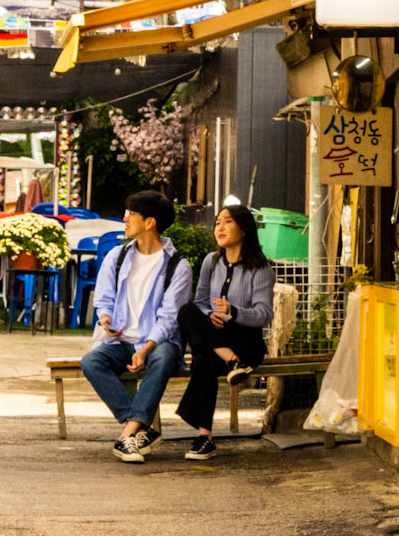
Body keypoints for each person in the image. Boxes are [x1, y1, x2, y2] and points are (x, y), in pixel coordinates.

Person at [79, 191, 192, 462]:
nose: (125, 218)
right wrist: (106, 320)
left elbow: (169, 318)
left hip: (157, 343)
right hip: (120, 342)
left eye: (131, 213)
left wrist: (145, 349)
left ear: (150, 222)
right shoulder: (117, 256)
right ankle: (141, 428)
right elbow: (104, 300)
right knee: (91, 361)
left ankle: (127, 434)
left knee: (164, 355)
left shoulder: (178, 265)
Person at [175, 202, 275, 460]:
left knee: (204, 358)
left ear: (244, 229)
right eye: (218, 222)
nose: (220, 227)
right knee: (187, 311)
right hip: (219, 341)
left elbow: (265, 314)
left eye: (228, 221)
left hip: (246, 342)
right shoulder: (211, 261)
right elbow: (200, 302)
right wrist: (210, 315)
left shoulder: (261, 268)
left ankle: (203, 437)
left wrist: (233, 313)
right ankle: (231, 361)